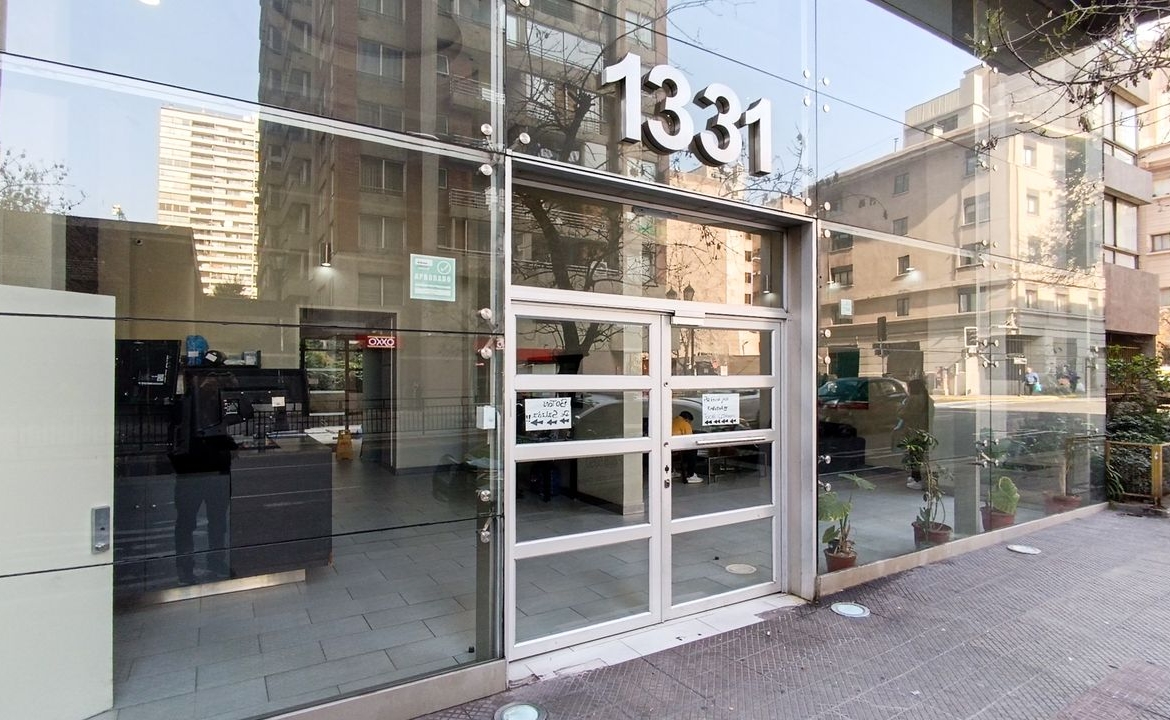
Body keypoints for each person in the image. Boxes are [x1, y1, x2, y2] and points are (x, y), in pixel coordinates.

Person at [899, 378, 934, 490]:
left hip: (914, 430)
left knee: (914, 455)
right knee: (921, 455)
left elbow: (904, 414)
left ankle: (916, 479)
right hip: (925, 430)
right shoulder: (928, 399)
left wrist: (900, 408)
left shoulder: (913, 399)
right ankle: (920, 478)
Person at [671, 410, 702, 484]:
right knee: (693, 449)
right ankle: (691, 475)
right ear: (687, 419)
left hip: (670, 449)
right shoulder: (685, 423)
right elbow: (690, 438)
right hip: (678, 451)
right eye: (690, 422)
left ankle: (671, 471)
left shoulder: (673, 420)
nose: (690, 423)